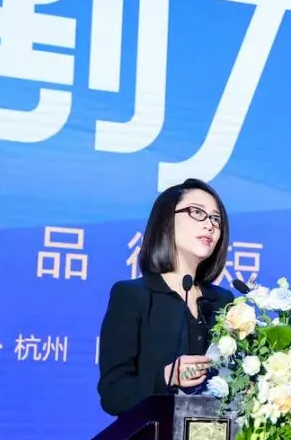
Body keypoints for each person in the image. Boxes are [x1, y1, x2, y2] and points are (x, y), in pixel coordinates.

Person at [97, 178, 236, 416]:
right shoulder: (132, 296)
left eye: (216, 219)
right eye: (197, 212)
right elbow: (113, 394)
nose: (210, 225)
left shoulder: (223, 302)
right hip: (155, 436)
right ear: (166, 220)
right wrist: (167, 376)